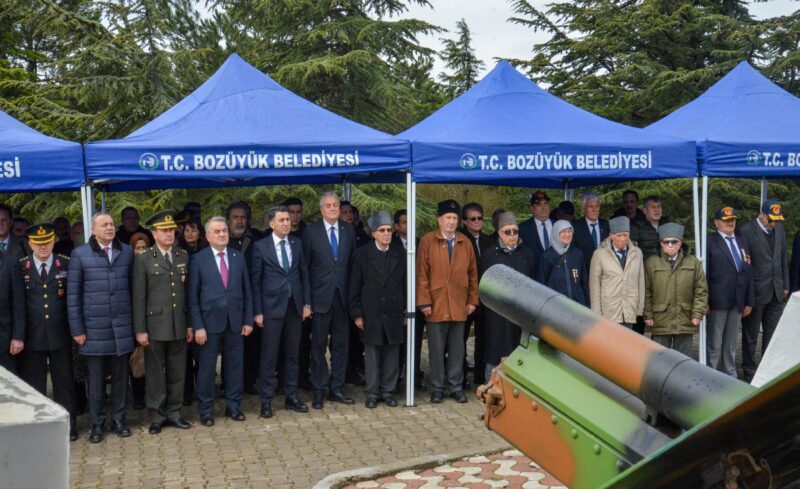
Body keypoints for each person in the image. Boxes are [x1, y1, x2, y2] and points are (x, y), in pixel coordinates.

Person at [68, 212, 135, 443]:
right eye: (104, 224)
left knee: (120, 378)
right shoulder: (80, 254)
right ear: (93, 230)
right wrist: (77, 329)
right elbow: (73, 296)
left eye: (112, 224)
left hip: (121, 327)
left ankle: (119, 420)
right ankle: (97, 424)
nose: (109, 228)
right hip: (93, 328)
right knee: (95, 381)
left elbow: (134, 289)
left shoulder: (126, 252)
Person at [132, 210, 193, 435]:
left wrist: (189, 324)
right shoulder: (144, 258)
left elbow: (188, 294)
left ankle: (175, 412)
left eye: (171, 230)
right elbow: (139, 296)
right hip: (154, 324)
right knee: (156, 373)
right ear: (154, 233)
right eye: (164, 230)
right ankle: (157, 415)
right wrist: (140, 330)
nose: (169, 234)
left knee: (178, 370)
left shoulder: (182, 256)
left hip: (178, 322)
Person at [188, 217, 253, 426]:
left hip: (235, 321)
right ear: (207, 236)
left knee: (235, 366)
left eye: (224, 230)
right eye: (216, 231)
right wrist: (198, 326)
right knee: (206, 369)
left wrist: (248, 320)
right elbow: (192, 297)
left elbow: (247, 291)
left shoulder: (238, 257)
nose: (222, 234)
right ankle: (206, 410)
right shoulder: (198, 259)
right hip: (208, 323)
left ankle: (233, 406)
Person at [251, 205, 312, 419]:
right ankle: (266, 401)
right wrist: (257, 311)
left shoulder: (296, 243)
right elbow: (255, 282)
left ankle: (291, 396)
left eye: (287, 219)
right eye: (282, 220)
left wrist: (306, 303)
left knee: (293, 355)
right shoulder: (260, 247)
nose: (287, 223)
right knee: (269, 356)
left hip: (294, 308)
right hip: (270, 309)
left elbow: (304, 275)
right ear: (271, 224)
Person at [18, 224, 77, 441]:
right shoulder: (21, 267)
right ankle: (40, 428)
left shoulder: (66, 264)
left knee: (64, 384)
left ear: (54, 242)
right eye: (38, 243)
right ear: (30, 244)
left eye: (47, 242)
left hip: (60, 333)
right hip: (33, 336)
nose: (43, 247)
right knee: (35, 386)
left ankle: (68, 427)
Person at [416, 199, 478, 404]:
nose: (451, 222)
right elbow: (421, 274)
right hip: (436, 303)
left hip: (459, 303)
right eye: (447, 218)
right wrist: (424, 301)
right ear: (439, 220)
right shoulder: (428, 241)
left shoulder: (465, 242)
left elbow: (473, 274)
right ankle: (437, 387)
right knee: (436, 349)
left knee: (457, 348)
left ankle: (456, 386)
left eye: (454, 218)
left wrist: (472, 300)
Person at [302, 192, 357, 408]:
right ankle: (318, 390)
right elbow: (305, 268)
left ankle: (337, 388)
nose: (333, 208)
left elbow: (353, 265)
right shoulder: (311, 232)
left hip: (342, 298)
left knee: (341, 345)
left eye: (335, 205)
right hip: (320, 299)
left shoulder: (348, 230)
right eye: (328, 205)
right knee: (318, 346)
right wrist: (307, 301)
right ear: (321, 209)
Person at [349, 211, 406, 408]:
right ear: (373, 233)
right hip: (371, 312)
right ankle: (372, 392)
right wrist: (357, 314)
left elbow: (406, 284)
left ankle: (388, 391)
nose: (386, 234)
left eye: (389, 230)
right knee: (372, 354)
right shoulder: (362, 254)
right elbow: (354, 286)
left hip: (394, 310)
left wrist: (406, 311)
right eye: (382, 230)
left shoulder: (399, 253)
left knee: (392, 352)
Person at [737, 200, 788, 382]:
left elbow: (782, 258)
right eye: (771, 219)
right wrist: (748, 296)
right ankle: (749, 371)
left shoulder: (779, 229)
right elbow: (745, 267)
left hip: (776, 291)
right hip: (756, 293)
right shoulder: (746, 231)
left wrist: (785, 284)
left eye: (777, 220)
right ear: (761, 215)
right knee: (750, 336)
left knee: (772, 335)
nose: (774, 223)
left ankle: (768, 371)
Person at [480, 212, 535, 379]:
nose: (512, 235)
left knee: (520, 350)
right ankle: (491, 383)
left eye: (515, 231)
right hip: (498, 313)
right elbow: (484, 284)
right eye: (507, 232)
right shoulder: (490, 255)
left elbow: (533, 282)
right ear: (499, 233)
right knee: (495, 349)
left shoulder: (527, 253)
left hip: (521, 312)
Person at [643, 223, 708, 357]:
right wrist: (647, 314)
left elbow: (701, 290)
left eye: (674, 241)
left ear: (680, 243)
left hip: (685, 318)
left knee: (683, 359)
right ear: (661, 244)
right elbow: (646, 291)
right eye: (666, 242)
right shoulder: (651, 263)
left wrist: (697, 314)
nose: (670, 245)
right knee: (660, 359)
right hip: (660, 319)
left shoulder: (693, 262)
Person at [706, 207, 754, 378]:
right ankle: (710, 375)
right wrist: (705, 301)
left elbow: (748, 272)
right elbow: (704, 274)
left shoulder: (742, 241)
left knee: (731, 342)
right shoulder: (709, 241)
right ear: (716, 223)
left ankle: (729, 375)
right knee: (714, 342)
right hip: (717, 301)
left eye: (732, 219)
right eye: (726, 220)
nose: (730, 223)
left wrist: (749, 301)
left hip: (737, 300)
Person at [226, 201, 263, 395]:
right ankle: (229, 384)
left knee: (252, 344)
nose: (239, 221)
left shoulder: (258, 239)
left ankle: (249, 382)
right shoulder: (221, 240)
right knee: (229, 346)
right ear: (228, 221)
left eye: (243, 217)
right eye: (235, 217)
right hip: (228, 301)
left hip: (252, 298)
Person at [589, 216, 644, 329]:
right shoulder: (600, 254)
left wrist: (639, 307)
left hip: (629, 308)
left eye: (625, 235)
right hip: (609, 311)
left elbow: (640, 281)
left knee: (627, 339)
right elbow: (594, 285)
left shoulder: (637, 253)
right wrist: (596, 313)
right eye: (619, 235)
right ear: (611, 236)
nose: (623, 239)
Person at [459, 202, 492, 386]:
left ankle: (480, 375)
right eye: (473, 219)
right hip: (465, 298)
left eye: (480, 218)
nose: (477, 221)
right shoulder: (460, 239)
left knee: (483, 338)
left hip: (485, 298)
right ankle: (460, 376)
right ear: (465, 221)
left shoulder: (489, 240)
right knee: (460, 339)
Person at [538, 220, 589, 306]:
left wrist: (587, 304)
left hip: (578, 305)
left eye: (569, 231)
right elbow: (541, 284)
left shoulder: (577, 254)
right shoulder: (547, 255)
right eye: (563, 231)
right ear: (556, 233)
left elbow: (584, 282)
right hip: (556, 305)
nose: (567, 234)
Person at [0, 207, 25, 373]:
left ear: (10, 222)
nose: (0, 224)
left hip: (9, 329)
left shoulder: (24, 245)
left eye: (4, 220)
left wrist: (18, 335)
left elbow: (19, 299)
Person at [128, 232, 150, 409]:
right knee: (136, 360)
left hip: (151, 319)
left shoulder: (153, 264)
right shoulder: (128, 267)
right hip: (132, 320)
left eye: (144, 247)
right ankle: (138, 396)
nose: (141, 251)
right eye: (137, 248)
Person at [573, 192, 610, 273]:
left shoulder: (606, 225)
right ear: (583, 208)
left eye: (597, 206)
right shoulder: (575, 227)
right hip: (585, 271)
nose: (594, 210)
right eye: (591, 207)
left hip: (605, 271)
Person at [519, 191, 553, 272]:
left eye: (546, 203)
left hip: (557, 276)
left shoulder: (558, 226)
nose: (543, 207)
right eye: (539, 205)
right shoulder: (523, 228)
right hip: (534, 274)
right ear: (532, 208)